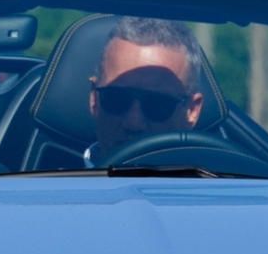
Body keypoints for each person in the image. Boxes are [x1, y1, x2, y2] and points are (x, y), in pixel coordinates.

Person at [88, 16, 207, 156]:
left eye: (157, 105)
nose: (133, 123)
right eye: (116, 99)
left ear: (192, 110)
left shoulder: (225, 177)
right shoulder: (59, 176)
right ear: (94, 99)